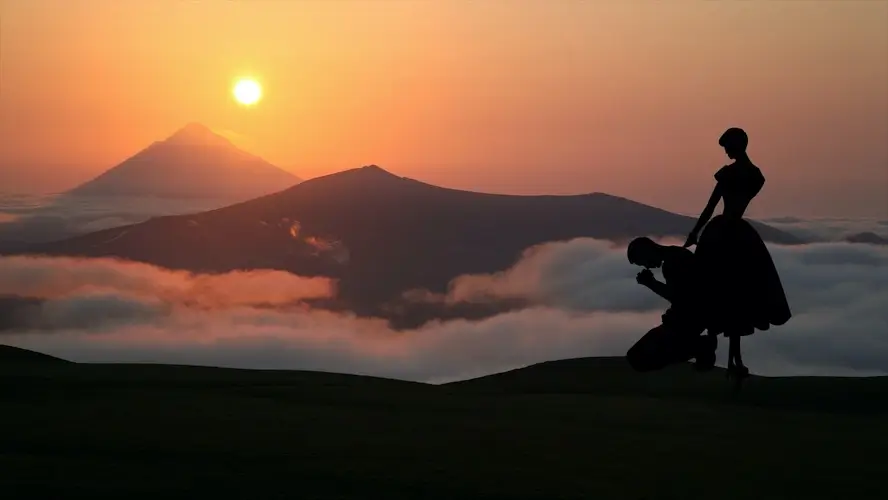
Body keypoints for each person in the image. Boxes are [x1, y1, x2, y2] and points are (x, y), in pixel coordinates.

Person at [683, 127, 792, 386]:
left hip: (721, 235)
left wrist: (695, 232)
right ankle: (734, 359)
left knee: (715, 290)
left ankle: (715, 348)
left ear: (736, 145)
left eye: (727, 147)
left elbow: (710, 207)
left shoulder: (729, 174)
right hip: (740, 236)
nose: (726, 152)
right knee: (738, 296)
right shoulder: (756, 176)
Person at [625, 237, 717, 373]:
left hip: (683, 324)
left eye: (643, 262)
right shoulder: (676, 255)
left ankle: (699, 347)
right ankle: (698, 347)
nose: (647, 266)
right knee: (638, 357)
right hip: (686, 321)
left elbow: (678, 297)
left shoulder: (672, 262)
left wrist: (651, 283)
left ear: (647, 251)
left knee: (637, 358)